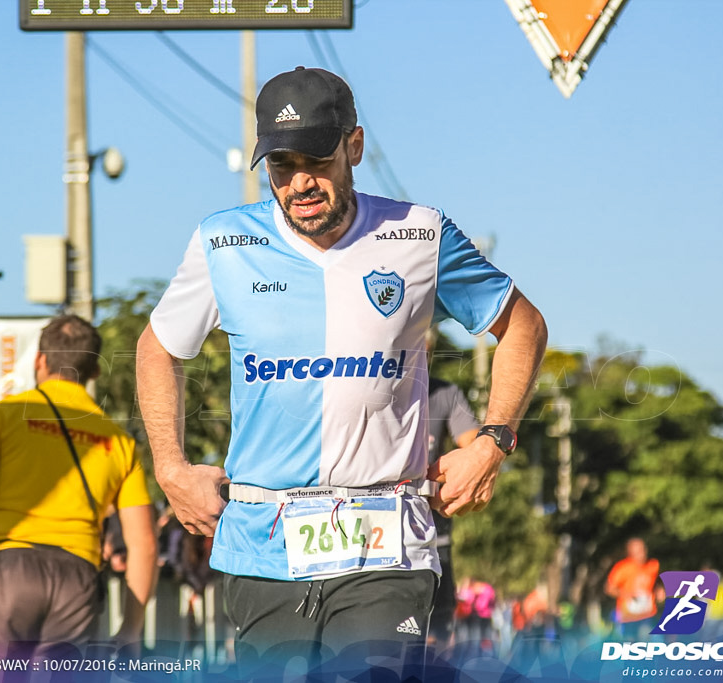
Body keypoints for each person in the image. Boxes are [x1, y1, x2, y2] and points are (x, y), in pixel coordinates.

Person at [136, 66, 548, 676]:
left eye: (318, 160)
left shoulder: (419, 235)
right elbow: (157, 348)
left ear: (354, 145)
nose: (300, 182)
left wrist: (492, 443)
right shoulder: (222, 242)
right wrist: (170, 469)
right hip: (264, 544)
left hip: (388, 547)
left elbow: (524, 327)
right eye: (281, 166)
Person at [0, 314, 158, 661]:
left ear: (40, 360)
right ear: (95, 372)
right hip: (77, 582)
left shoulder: (0, 415)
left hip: (4, 572)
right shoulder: (118, 441)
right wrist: (131, 629)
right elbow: (144, 544)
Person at [425, 326, 480, 647]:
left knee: (439, 624)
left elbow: (471, 446)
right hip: (375, 518)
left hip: (432, 522)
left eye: (426, 353)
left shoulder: (446, 394)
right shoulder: (371, 388)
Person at [605, 537, 660, 640]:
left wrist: (659, 591)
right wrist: (626, 594)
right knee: (629, 643)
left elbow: (655, 585)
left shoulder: (653, 565)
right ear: (630, 552)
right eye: (638, 551)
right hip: (628, 614)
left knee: (646, 641)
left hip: (647, 613)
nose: (642, 553)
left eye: (643, 549)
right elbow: (609, 589)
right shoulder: (622, 568)